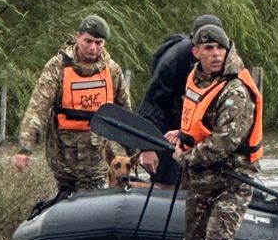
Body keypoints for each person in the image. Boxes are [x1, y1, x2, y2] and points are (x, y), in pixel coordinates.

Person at [169, 22, 263, 240]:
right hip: (202, 179)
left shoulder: (235, 89)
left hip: (233, 179)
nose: (216, 54)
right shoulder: (196, 81)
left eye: (220, 48)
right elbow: (200, 124)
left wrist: (187, 157)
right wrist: (183, 135)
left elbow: (225, 140)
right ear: (196, 51)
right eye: (209, 48)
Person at [13, 15, 132, 194]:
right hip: (63, 161)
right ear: (77, 37)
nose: (93, 48)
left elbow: (125, 113)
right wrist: (25, 148)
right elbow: (38, 108)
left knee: (92, 205)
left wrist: (136, 150)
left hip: (96, 161)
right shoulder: (57, 67)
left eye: (98, 43)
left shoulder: (112, 70)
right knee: (64, 200)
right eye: (88, 41)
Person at [137, 13, 223, 183]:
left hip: (202, 136)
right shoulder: (174, 60)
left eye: (217, 46)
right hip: (169, 130)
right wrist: (147, 147)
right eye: (206, 46)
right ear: (194, 46)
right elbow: (152, 104)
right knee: (169, 179)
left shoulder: (224, 64)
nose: (214, 53)